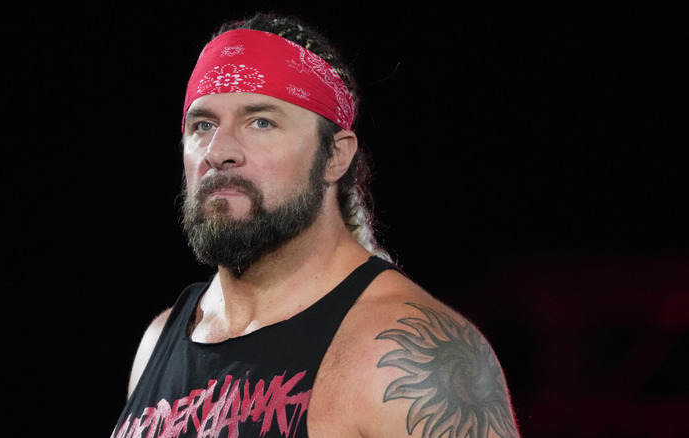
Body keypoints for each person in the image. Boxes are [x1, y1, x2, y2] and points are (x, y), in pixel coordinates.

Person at [112, 13, 520, 438]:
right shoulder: (159, 342)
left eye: (261, 122)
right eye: (203, 125)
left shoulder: (408, 357)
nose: (219, 150)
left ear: (335, 156)